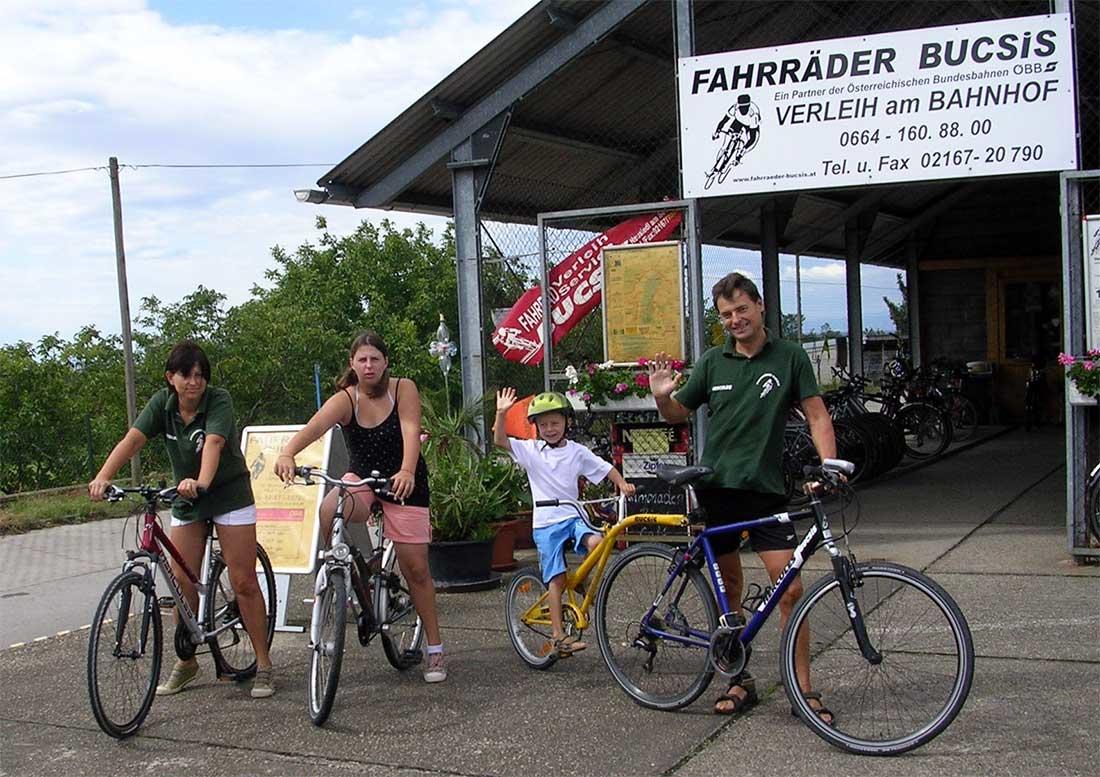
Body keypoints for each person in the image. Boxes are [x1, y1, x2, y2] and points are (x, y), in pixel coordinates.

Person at [647, 272, 838, 723]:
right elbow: (678, 411)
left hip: (767, 491)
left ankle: (803, 690)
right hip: (719, 490)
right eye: (727, 315)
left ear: (760, 306)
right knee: (729, 588)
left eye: (742, 310)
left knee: (790, 589)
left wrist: (830, 467)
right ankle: (738, 679)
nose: (736, 320)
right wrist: (661, 396)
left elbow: (817, 416)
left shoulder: (790, 357)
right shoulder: (714, 361)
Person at [89, 340, 275, 698]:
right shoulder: (163, 404)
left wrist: (202, 482)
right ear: (170, 378)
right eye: (186, 376)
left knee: (243, 580)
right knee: (179, 583)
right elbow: (133, 440)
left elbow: (215, 444)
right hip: (187, 497)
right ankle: (187, 661)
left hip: (227, 494)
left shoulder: (218, 400)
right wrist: (104, 476)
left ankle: (264, 664)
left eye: (200, 375)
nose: (195, 382)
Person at [273, 331, 446, 683]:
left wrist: (408, 471)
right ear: (352, 363)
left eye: (375, 359)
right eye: (362, 360)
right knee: (328, 509)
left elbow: (411, 430)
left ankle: (435, 648)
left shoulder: (403, 389)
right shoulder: (345, 399)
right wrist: (287, 452)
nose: (369, 366)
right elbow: (316, 426)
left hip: (404, 481)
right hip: (363, 479)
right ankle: (347, 573)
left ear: (386, 363)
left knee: (416, 571)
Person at [493, 388, 635, 656]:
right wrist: (501, 414)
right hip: (547, 523)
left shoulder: (576, 451)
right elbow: (500, 440)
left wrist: (622, 484)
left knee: (600, 543)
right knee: (556, 580)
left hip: (573, 516)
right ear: (535, 427)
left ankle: (582, 579)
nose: (550, 429)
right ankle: (558, 637)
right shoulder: (532, 450)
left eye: (555, 423)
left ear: (566, 423)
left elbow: (605, 468)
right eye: (543, 424)